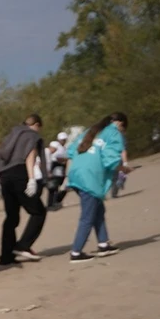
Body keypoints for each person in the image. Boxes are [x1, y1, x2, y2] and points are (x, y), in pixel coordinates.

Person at [65, 112, 130, 263]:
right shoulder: (113, 133)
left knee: (98, 209)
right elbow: (110, 159)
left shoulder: (91, 130)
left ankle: (103, 244)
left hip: (77, 173)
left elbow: (71, 152)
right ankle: (76, 252)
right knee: (88, 216)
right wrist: (122, 168)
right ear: (120, 124)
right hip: (90, 177)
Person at [0, 114, 47, 264]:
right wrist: (31, 179)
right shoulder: (31, 136)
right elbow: (30, 156)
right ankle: (23, 245)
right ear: (36, 124)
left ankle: (6, 256)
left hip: (5, 177)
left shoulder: (11, 135)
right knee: (38, 212)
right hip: (20, 175)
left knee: (11, 217)